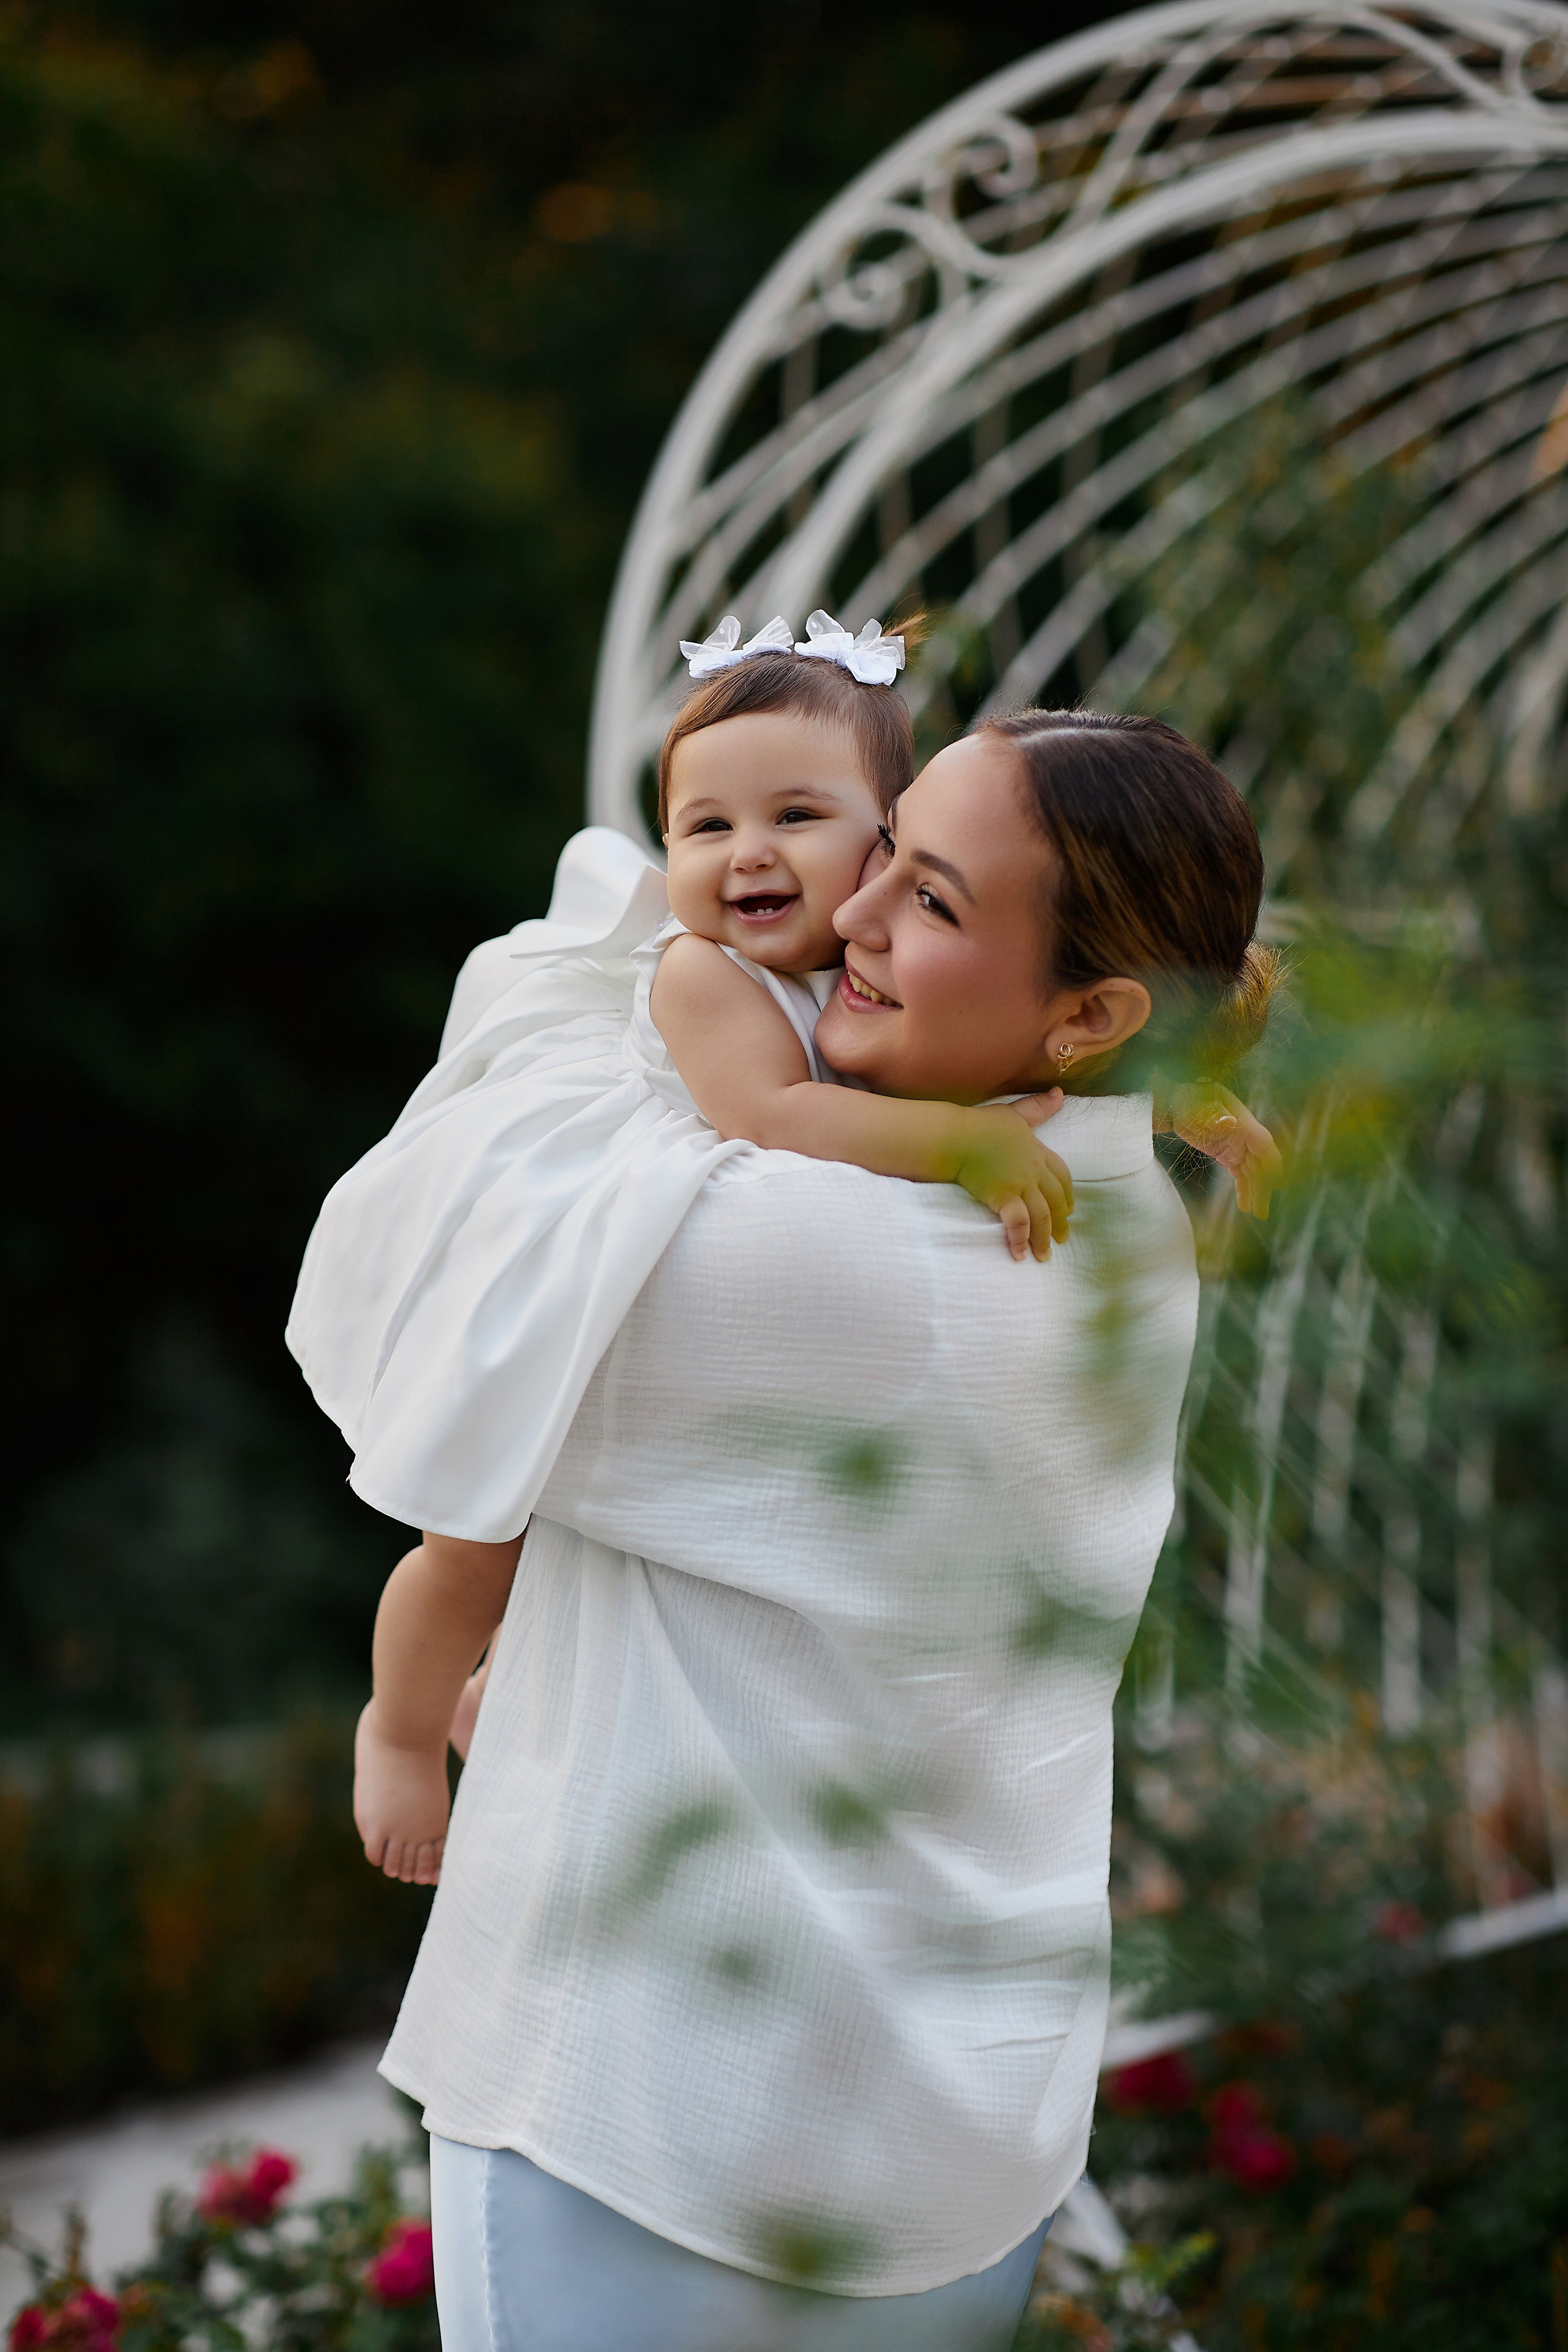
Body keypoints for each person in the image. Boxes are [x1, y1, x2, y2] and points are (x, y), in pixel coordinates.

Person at [303, 698, 1280, 2350]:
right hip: (958, 2114)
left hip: (657, 2120)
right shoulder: (1118, 1212)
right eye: (888, 848)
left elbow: (443, 1262)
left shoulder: (831, 1261)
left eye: (937, 901)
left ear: (1093, 1011)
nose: (852, 915)